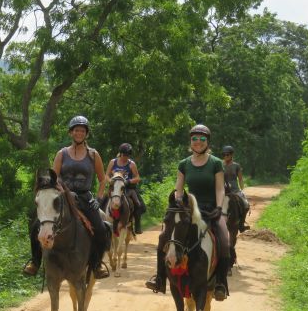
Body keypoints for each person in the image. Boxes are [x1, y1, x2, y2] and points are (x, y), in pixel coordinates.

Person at [144, 124, 231, 300]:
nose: (198, 142)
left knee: (224, 239)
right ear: (190, 141)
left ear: (207, 142)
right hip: (189, 210)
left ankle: (220, 282)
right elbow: (179, 187)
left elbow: (220, 189)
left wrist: (219, 208)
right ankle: (160, 278)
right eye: (194, 139)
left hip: (210, 210)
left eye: (202, 139)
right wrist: (178, 201)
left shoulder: (215, 163)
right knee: (163, 237)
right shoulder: (184, 164)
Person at [23, 115, 111, 279]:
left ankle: (97, 264)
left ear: (86, 134)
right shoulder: (61, 153)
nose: (79, 133)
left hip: (85, 198)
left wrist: (98, 199)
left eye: (82, 131)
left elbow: (101, 179)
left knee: (100, 228)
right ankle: (35, 262)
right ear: (71, 133)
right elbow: (53, 180)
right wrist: (60, 193)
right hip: (64, 197)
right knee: (35, 224)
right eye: (76, 130)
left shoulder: (93, 155)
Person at [104, 143, 145, 234]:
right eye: (124, 155)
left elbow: (137, 177)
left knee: (139, 204)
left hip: (128, 188)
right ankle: (101, 223)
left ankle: (136, 225)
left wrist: (128, 181)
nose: (126, 157)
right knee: (101, 201)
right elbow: (106, 175)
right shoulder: (113, 162)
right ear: (120, 153)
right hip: (114, 187)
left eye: (128, 155)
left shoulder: (131, 164)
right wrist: (110, 180)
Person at [221, 145, 250, 232]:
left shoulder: (236, 166)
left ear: (231, 155)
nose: (226, 156)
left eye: (228, 154)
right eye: (224, 154)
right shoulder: (220, 165)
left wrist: (242, 190)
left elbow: (240, 179)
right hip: (222, 190)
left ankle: (241, 224)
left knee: (245, 204)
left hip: (234, 190)